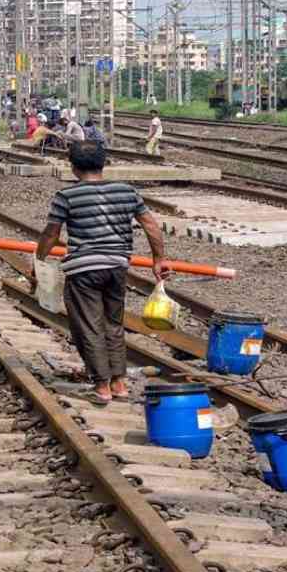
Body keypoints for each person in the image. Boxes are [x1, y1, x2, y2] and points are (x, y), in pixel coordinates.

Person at [34, 141, 170, 405]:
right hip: (117, 266)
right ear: (103, 163)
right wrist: (159, 259)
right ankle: (119, 382)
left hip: (83, 270)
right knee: (113, 324)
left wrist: (39, 259)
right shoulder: (127, 191)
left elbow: (52, 234)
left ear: (73, 167)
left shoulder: (66, 196)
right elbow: (151, 225)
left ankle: (102, 386)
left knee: (89, 326)